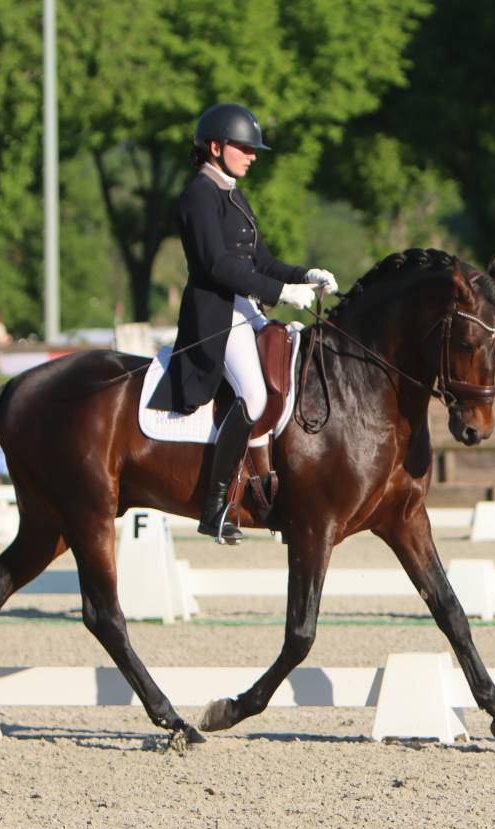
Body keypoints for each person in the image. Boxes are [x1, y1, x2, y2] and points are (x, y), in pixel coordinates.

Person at [147, 102, 338, 544]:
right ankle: (215, 506)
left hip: (245, 309)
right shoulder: (199, 194)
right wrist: (279, 294)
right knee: (253, 396)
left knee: (289, 375)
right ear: (216, 147)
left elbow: (263, 261)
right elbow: (216, 265)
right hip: (216, 314)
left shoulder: (233, 192)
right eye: (245, 148)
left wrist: (303, 275)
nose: (253, 156)